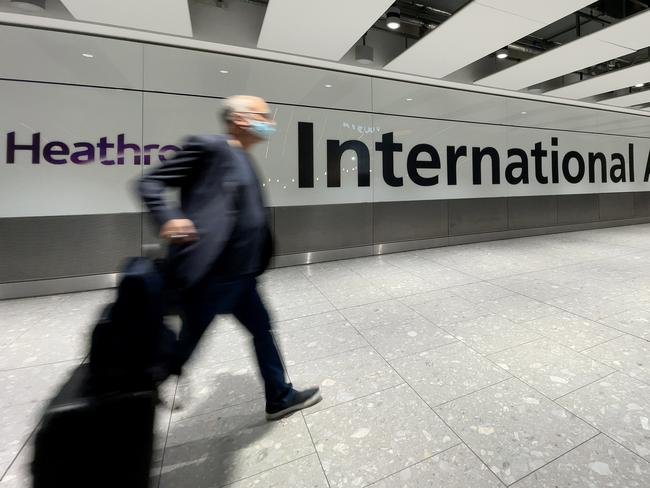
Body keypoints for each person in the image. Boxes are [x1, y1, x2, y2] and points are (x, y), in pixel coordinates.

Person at [138, 95, 321, 420]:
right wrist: (167, 217)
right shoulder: (207, 147)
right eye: (264, 116)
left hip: (243, 277)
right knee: (186, 345)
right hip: (211, 274)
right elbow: (149, 182)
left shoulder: (244, 157)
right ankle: (137, 394)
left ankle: (279, 396)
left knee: (262, 330)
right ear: (240, 119)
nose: (270, 123)